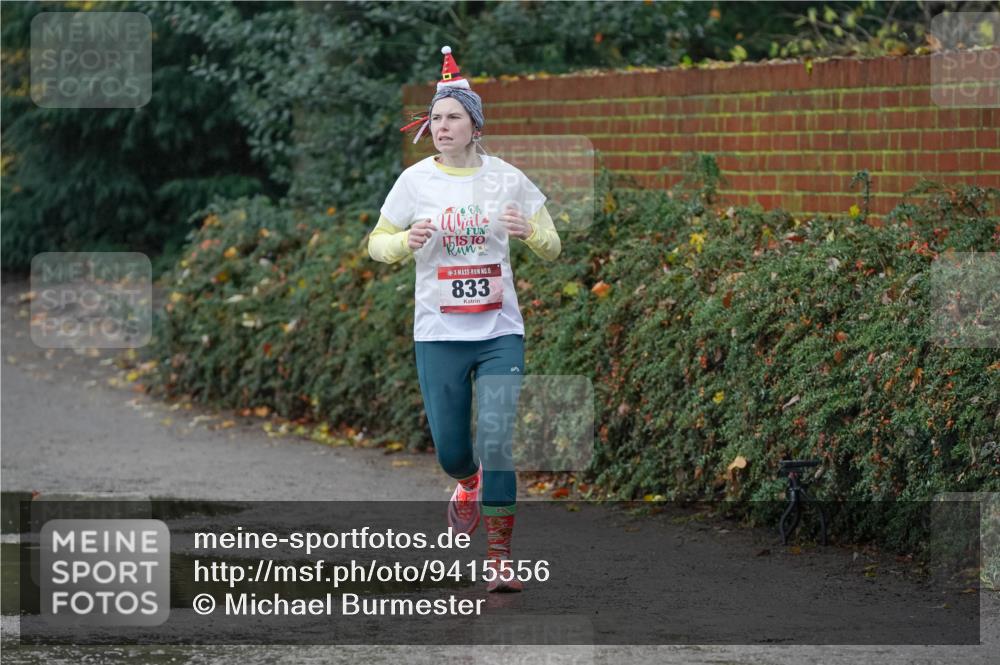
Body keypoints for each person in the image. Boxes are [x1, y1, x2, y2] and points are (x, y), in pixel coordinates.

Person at [368, 46, 561, 592]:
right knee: (454, 450)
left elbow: (553, 244)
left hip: (500, 331)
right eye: (435, 118)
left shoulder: (508, 179)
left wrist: (531, 233)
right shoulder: (414, 183)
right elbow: (374, 243)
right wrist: (405, 241)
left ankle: (500, 556)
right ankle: (466, 481)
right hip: (439, 333)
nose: (441, 126)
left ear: (475, 125)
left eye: (453, 117)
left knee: (498, 439)